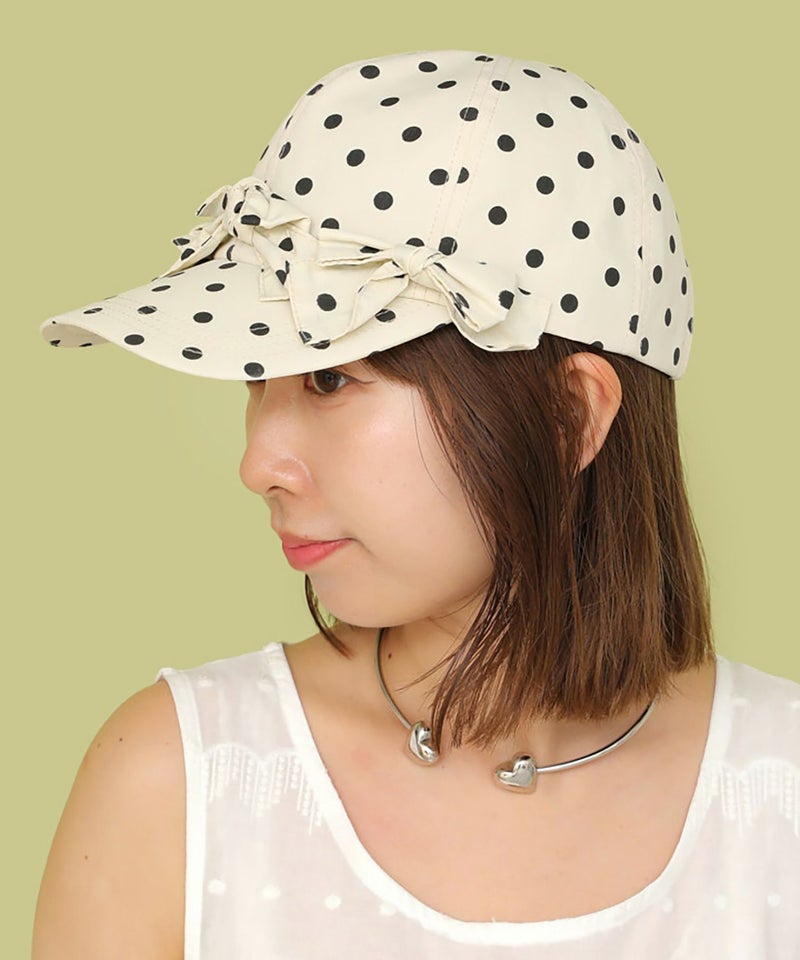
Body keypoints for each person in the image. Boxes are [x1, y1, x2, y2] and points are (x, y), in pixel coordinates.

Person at [32, 50, 799, 958]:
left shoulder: (780, 795)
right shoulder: (178, 784)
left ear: (568, 417)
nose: (258, 463)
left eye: (330, 377)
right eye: (256, 381)